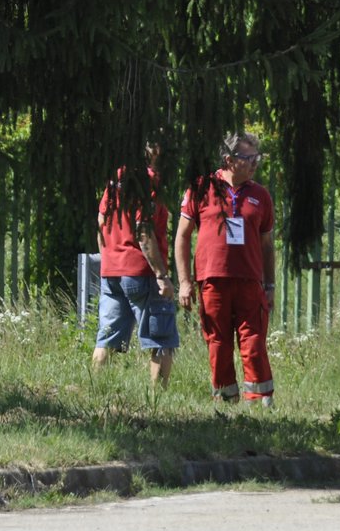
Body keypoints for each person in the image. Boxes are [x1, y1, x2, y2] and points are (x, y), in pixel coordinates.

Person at [174, 130, 275, 405]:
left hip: (250, 282)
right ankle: (226, 402)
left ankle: (260, 401)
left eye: (257, 157)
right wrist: (184, 282)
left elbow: (267, 245)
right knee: (218, 344)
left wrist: (270, 285)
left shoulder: (260, 195)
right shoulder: (201, 187)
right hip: (212, 280)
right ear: (229, 160)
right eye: (249, 157)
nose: (256, 162)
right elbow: (182, 237)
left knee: (253, 343)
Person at [92, 141, 178, 387]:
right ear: (155, 150)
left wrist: (108, 256)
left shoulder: (117, 177)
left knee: (106, 339)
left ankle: (95, 392)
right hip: (142, 273)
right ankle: (158, 400)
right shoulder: (149, 181)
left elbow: (100, 219)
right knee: (161, 338)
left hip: (112, 273)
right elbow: (144, 230)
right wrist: (161, 275)